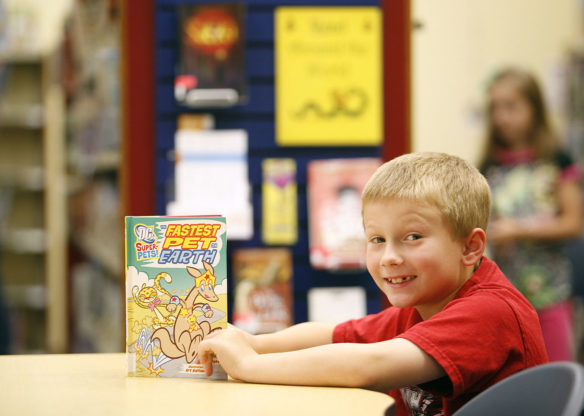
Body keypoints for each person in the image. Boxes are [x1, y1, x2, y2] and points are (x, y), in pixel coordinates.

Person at [198, 152, 548, 416]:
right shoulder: (423, 305)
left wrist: (250, 365)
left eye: (412, 237)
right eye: (376, 239)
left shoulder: (490, 310)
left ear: (470, 247)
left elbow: (368, 365)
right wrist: (252, 343)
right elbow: (335, 335)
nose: (388, 257)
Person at [479, 67, 583, 362]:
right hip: (506, 298)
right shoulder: (489, 165)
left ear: (534, 108)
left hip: (551, 294)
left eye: (511, 106)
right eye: (495, 107)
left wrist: (519, 230)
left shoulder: (556, 161)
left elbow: (573, 223)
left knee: (556, 379)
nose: (501, 116)